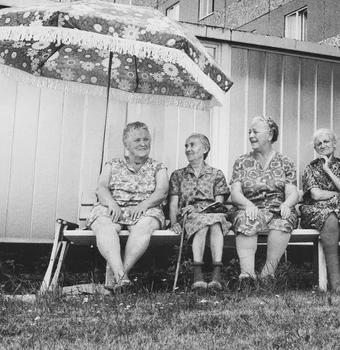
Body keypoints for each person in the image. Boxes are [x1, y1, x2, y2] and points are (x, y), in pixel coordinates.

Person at [86, 121, 168, 290]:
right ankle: (121, 276)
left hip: (145, 209)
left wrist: (144, 205)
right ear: (126, 144)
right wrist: (111, 204)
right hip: (113, 207)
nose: (143, 143)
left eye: (146, 139)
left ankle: (119, 276)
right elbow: (101, 188)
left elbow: (162, 192)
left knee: (145, 225)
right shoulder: (113, 164)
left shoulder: (158, 166)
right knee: (103, 223)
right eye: (137, 140)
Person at [229, 115, 299, 287]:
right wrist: (248, 205)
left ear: (270, 135)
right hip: (250, 207)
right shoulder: (242, 162)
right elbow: (235, 193)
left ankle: (268, 273)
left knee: (283, 221)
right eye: (249, 132)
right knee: (246, 218)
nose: (251, 135)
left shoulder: (285, 162)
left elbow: (293, 193)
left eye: (255, 131)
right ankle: (247, 276)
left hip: (277, 208)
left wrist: (287, 204)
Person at [300, 128, 340, 293]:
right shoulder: (310, 169)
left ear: (334, 144)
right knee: (330, 218)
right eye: (318, 144)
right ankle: (335, 282)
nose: (322, 146)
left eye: (326, 141)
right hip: (317, 210)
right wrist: (339, 193)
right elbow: (316, 194)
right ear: (315, 149)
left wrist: (328, 170)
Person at [168, 133, 231, 290]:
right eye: (186, 146)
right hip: (188, 217)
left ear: (205, 149)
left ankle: (216, 277)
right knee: (203, 224)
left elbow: (219, 204)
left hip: (213, 214)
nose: (188, 149)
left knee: (214, 222)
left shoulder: (216, 174)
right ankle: (198, 276)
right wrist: (174, 222)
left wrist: (199, 209)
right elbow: (173, 203)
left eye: (192, 145)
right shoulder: (178, 175)